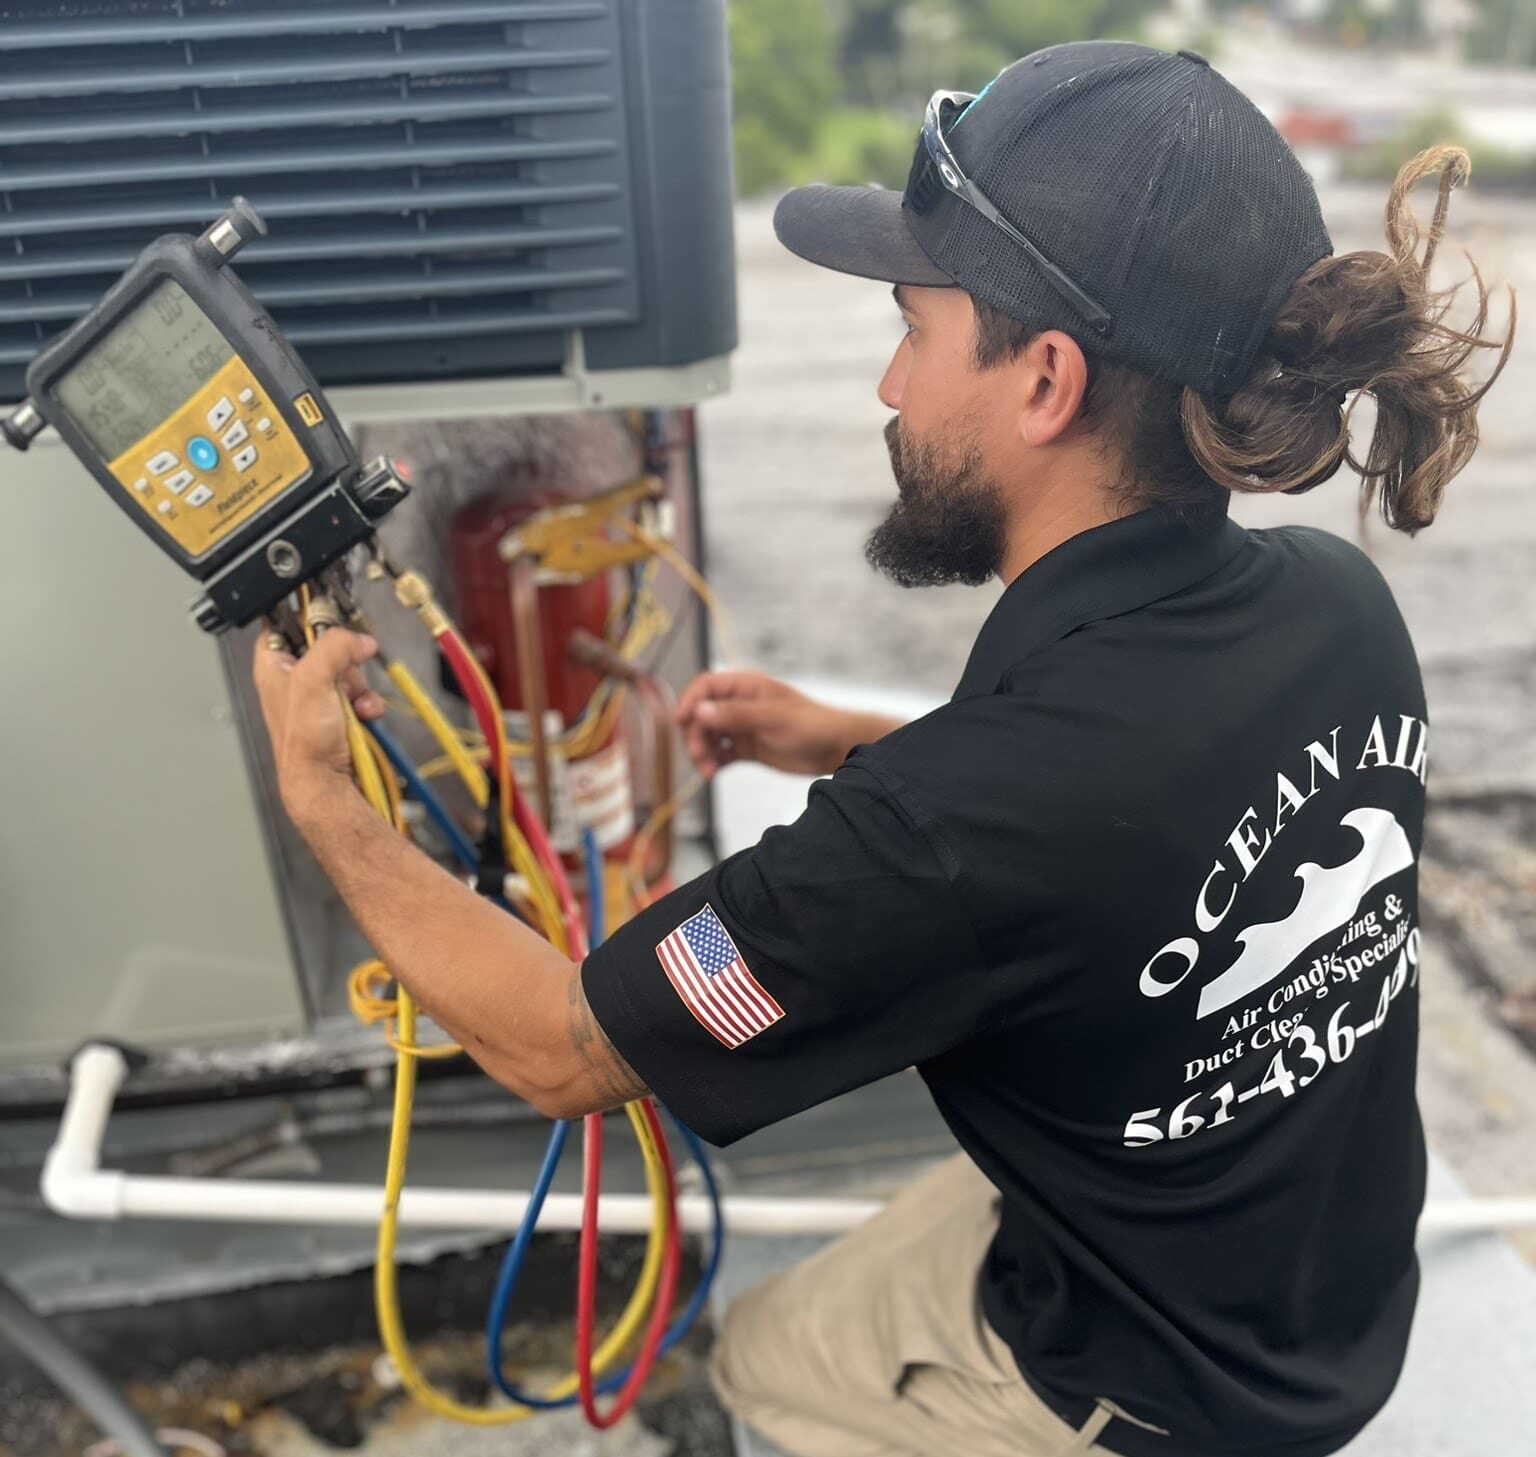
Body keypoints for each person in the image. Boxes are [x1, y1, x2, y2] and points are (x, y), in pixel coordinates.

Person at [253, 42, 1512, 1457]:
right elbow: (1116, 814)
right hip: (1319, 1291)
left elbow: (557, 1046)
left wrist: (319, 797)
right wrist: (852, 739)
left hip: (1154, 1394)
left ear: (1046, 379)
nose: (889, 388)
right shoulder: (1334, 604)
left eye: (914, 327)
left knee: (764, 1349)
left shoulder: (945, 834)